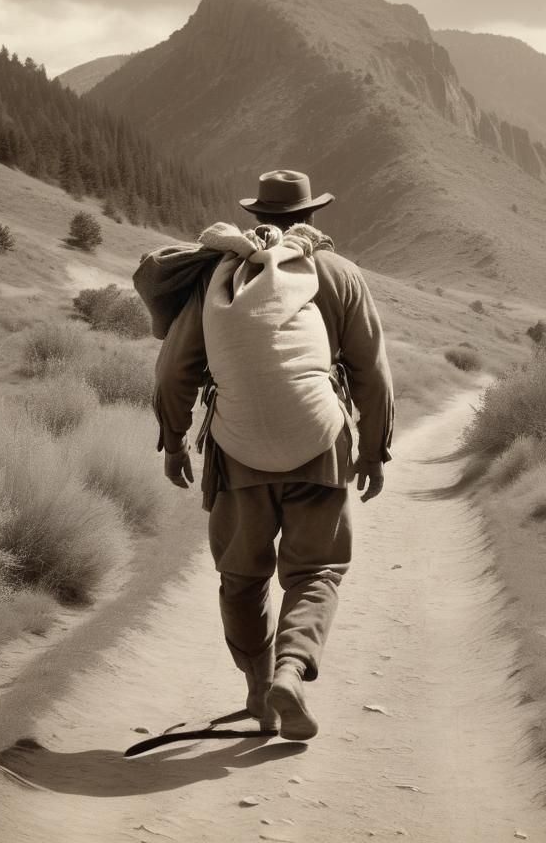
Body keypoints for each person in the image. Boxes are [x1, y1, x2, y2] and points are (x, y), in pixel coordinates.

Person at [153, 169, 394, 741]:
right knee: (316, 571)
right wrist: (374, 449)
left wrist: (173, 439)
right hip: (320, 444)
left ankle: (259, 689)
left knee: (241, 578)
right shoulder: (339, 273)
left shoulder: (221, 275)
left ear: (258, 217)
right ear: (311, 218)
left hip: (236, 452)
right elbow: (372, 373)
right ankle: (292, 671)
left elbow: (173, 370)